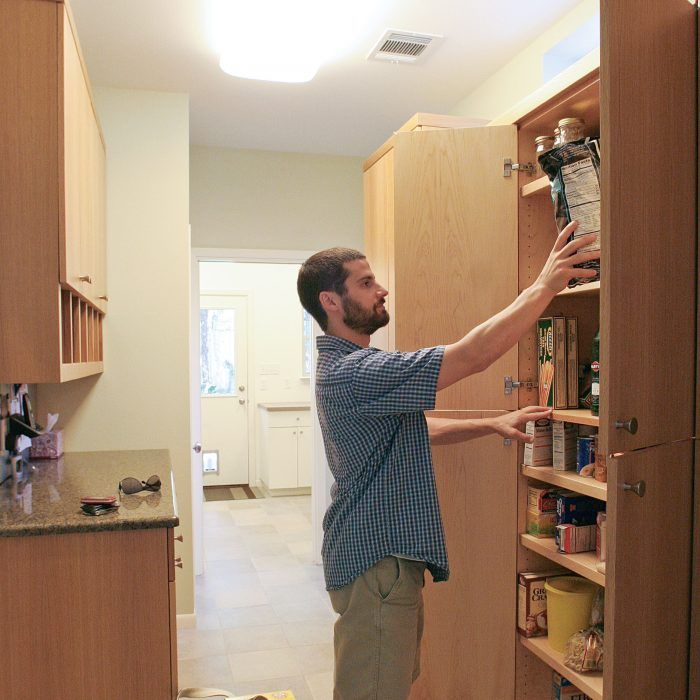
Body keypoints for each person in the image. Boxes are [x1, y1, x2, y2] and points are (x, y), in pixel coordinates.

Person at [296, 221, 599, 700]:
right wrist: (544, 286)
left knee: (388, 685)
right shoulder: (357, 371)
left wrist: (491, 424)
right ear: (330, 302)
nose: (382, 289)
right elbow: (474, 355)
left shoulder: (349, 371)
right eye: (366, 282)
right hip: (378, 562)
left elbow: (409, 431)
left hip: (383, 562)